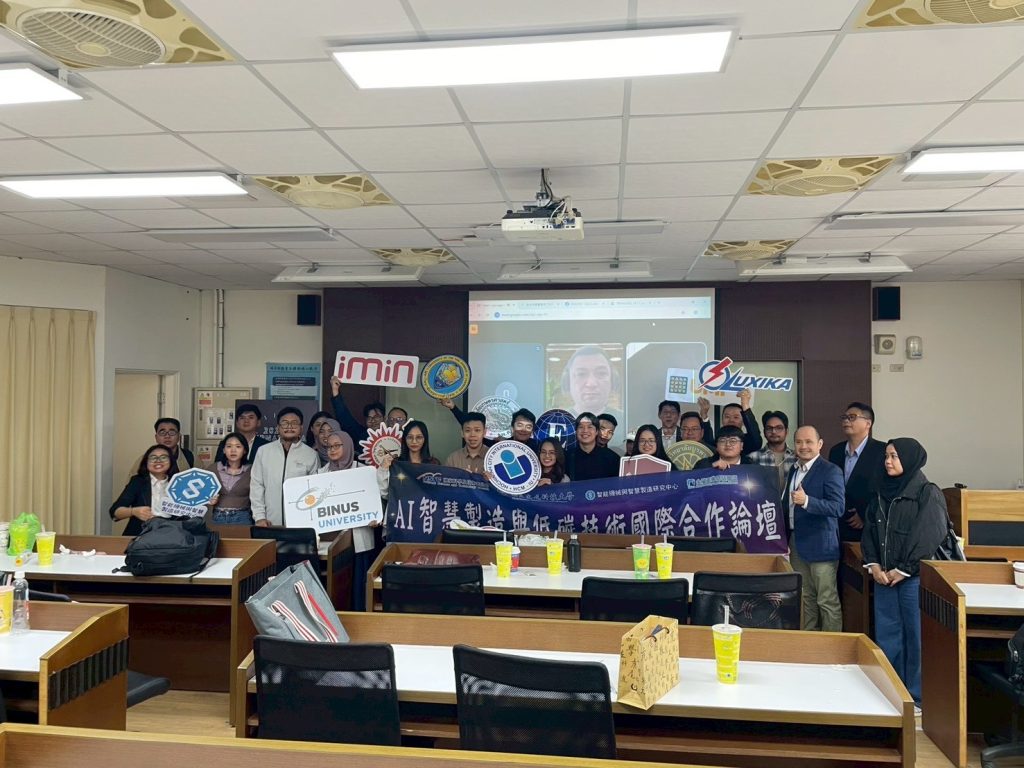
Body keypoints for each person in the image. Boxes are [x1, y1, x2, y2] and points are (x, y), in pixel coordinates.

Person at [862, 438, 948, 707]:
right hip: (884, 577)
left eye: (894, 456)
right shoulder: (880, 491)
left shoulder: (927, 492)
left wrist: (904, 569)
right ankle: (892, 693)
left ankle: (917, 699)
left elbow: (929, 534)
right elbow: (869, 532)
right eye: (886, 456)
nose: (888, 462)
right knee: (888, 637)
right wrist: (874, 565)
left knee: (916, 638)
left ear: (910, 459)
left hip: (913, 579)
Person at [784, 426, 845, 632]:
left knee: (826, 600)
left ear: (820, 444)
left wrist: (807, 501)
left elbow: (838, 507)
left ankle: (832, 646)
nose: (803, 446)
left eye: (809, 442)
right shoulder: (794, 470)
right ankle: (809, 641)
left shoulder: (831, 470)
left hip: (821, 546)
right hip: (796, 543)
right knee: (805, 598)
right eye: (799, 442)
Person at [318, 430, 381, 611]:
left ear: (347, 446)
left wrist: (375, 516)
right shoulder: (320, 474)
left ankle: (359, 618)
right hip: (333, 540)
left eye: (337, 445)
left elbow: (376, 498)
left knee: (359, 584)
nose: (332, 449)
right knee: (338, 584)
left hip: (359, 537)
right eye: (329, 446)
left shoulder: (363, 471)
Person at [250, 407, 320, 527]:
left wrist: (309, 519)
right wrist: (259, 517)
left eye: (294, 423)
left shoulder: (311, 455)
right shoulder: (264, 451)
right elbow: (257, 485)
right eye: (285, 423)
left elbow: (314, 490)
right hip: (269, 522)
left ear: (301, 428)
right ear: (278, 428)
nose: (289, 427)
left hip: (300, 523)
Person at [828, 401, 886, 542]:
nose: (846, 421)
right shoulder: (836, 451)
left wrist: (865, 513)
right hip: (837, 523)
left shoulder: (881, 451)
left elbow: (884, 489)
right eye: (844, 417)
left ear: (868, 423)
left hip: (867, 527)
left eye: (852, 417)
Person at [110, 444, 177, 536]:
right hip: (140, 535)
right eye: (153, 458)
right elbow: (115, 512)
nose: (158, 461)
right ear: (146, 462)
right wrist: (133, 511)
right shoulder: (137, 482)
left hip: (171, 536)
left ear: (171, 461)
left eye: (163, 457)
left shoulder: (179, 484)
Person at [560, 345, 621, 421]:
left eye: (601, 373)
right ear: (568, 382)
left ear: (612, 380)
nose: (591, 384)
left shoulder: (627, 420)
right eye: (581, 374)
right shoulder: (555, 422)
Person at [127, 418, 194, 482]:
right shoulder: (144, 460)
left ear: (179, 436)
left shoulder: (190, 457)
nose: (167, 436)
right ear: (156, 437)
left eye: (172, 432)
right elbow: (131, 486)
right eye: (162, 432)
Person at [208, 432, 254, 526]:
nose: (233, 450)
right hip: (217, 516)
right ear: (224, 450)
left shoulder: (252, 470)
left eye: (238, 446)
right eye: (229, 446)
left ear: (244, 450)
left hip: (242, 517)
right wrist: (209, 500)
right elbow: (202, 494)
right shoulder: (213, 469)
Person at [704, 389, 763, 455]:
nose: (731, 420)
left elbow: (756, 437)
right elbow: (708, 443)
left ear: (743, 421)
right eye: (727, 416)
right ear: (722, 420)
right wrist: (704, 415)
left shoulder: (749, 441)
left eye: (736, 417)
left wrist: (745, 404)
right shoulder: (718, 439)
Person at [750, 410, 797, 493]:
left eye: (779, 428)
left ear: (787, 431)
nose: (773, 432)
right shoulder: (752, 458)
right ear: (764, 432)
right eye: (769, 428)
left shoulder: (797, 457)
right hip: (764, 501)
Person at [329, 375, 385, 444]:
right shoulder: (362, 436)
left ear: (384, 418)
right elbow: (344, 417)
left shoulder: (392, 435)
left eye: (376, 417)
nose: (373, 421)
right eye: (369, 418)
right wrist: (335, 390)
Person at [565, 412, 620, 481]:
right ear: (576, 431)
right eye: (581, 427)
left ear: (596, 431)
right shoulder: (566, 457)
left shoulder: (613, 459)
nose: (585, 431)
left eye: (590, 427)